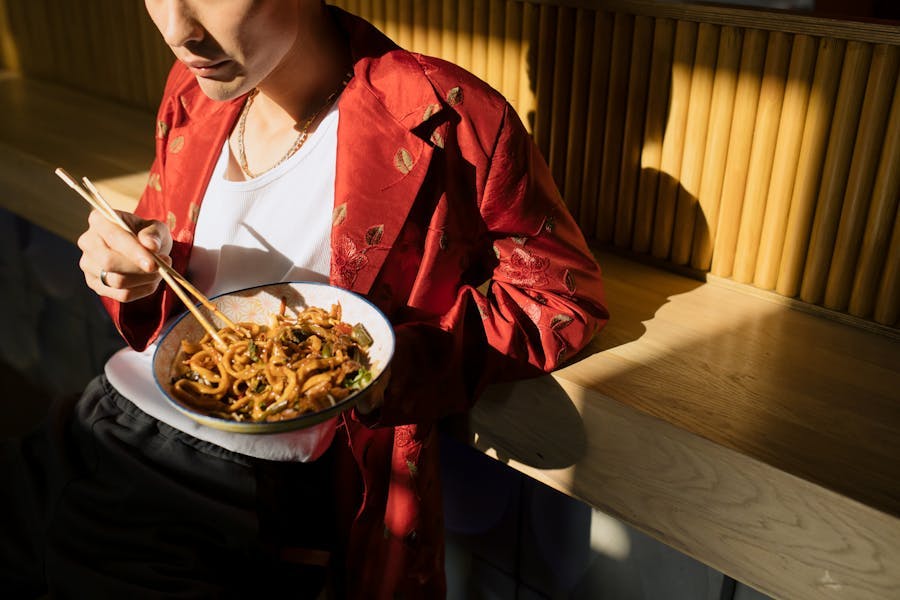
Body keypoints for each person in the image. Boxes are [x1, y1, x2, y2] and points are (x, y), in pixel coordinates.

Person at [1, 1, 608, 597]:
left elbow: (560, 299)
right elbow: (163, 303)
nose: (177, 30)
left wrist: (386, 367)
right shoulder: (192, 91)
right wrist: (125, 271)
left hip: (236, 496)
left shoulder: (442, 114)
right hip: (94, 424)